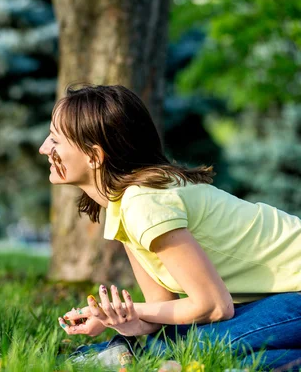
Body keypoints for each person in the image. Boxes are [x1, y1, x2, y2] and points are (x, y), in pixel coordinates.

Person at [38, 84, 301, 370]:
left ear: (94, 156)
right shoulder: (124, 204)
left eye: (54, 139)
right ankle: (124, 354)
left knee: (195, 346)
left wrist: (133, 311)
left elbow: (213, 306)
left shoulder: (144, 202)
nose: (43, 148)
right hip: (280, 298)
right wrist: (118, 319)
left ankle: (120, 356)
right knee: (193, 346)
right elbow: (163, 306)